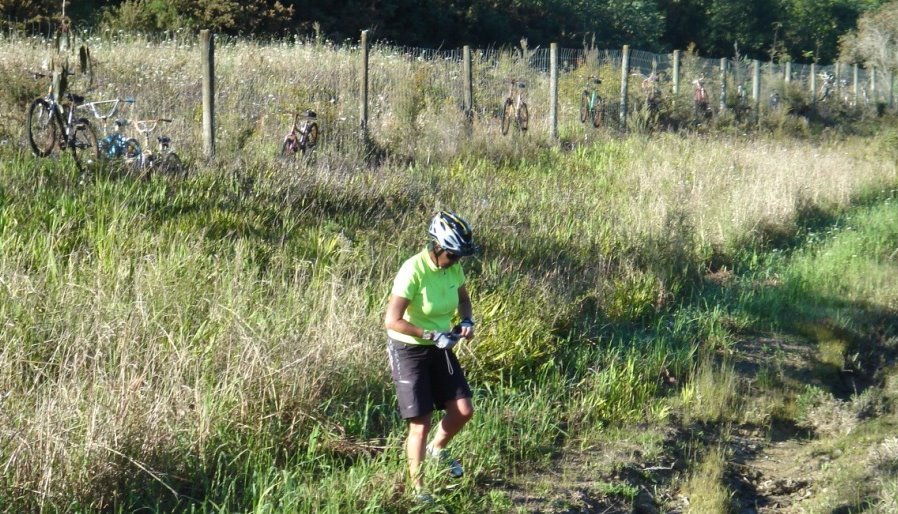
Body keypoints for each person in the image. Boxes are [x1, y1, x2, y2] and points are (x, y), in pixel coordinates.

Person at [384, 211, 479, 500]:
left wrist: (466, 321)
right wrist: (429, 334)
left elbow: (463, 299)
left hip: (440, 345)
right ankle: (418, 489)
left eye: (460, 256)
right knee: (420, 423)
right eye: (452, 255)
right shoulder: (412, 270)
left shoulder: (453, 269)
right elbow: (392, 320)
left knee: (464, 410)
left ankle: (437, 450)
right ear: (437, 248)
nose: (456, 261)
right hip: (409, 349)